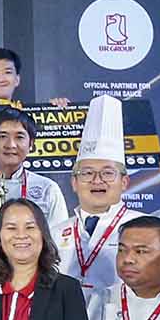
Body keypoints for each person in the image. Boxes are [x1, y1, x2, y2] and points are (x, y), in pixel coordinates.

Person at [55, 95, 130, 295]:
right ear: (74, 182)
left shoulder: (143, 228)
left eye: (107, 173)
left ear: (124, 182)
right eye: (87, 173)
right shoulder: (55, 233)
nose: (97, 180)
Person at [0, 107, 69, 230]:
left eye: (19, 137)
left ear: (31, 144)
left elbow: (59, 237)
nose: (11, 145)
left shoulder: (47, 189)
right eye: (2, 136)